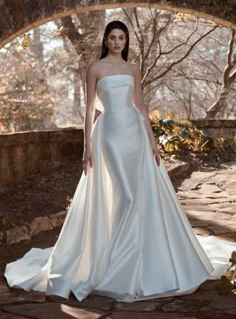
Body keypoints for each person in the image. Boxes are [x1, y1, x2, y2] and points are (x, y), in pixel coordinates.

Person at [4, 21, 235, 302]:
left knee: (137, 196)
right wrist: (87, 146)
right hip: (110, 135)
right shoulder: (95, 68)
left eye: (121, 38)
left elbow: (141, 105)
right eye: (113, 38)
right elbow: (89, 109)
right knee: (125, 197)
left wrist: (152, 141)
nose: (117, 42)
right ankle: (118, 267)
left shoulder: (132, 68)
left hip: (135, 133)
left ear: (126, 41)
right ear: (105, 40)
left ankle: (132, 263)